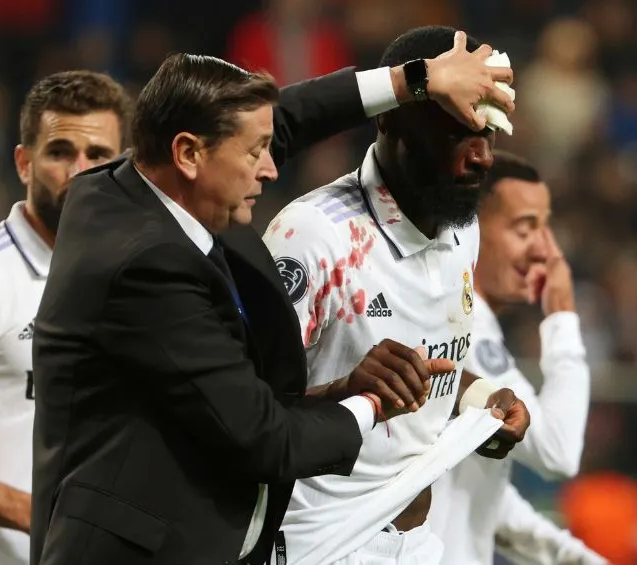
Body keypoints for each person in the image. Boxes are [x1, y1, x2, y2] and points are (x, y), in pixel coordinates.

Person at [30, 37, 515, 565]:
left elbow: (282, 120)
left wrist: (412, 80)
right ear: (189, 153)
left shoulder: (117, 192)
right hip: (141, 548)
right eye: (255, 151)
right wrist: (369, 403)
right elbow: (264, 435)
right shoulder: (147, 267)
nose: (271, 167)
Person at [263, 26, 531, 565]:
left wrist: (483, 404)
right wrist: (348, 391)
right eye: (458, 130)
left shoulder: (463, 230)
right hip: (318, 544)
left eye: (490, 132)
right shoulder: (313, 237)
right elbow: (241, 416)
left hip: (420, 544)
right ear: (389, 116)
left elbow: (431, 376)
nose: (481, 156)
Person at [427, 151, 600, 564]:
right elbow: (558, 452)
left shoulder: (467, 322)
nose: (545, 250)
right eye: (525, 229)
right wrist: (561, 317)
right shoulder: (461, 327)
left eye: (546, 228)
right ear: (473, 229)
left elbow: (479, 489)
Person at [0, 70, 131, 565]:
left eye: (97, 156)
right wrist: (42, 515)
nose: (79, 170)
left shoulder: (140, 279)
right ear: (24, 163)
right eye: (59, 152)